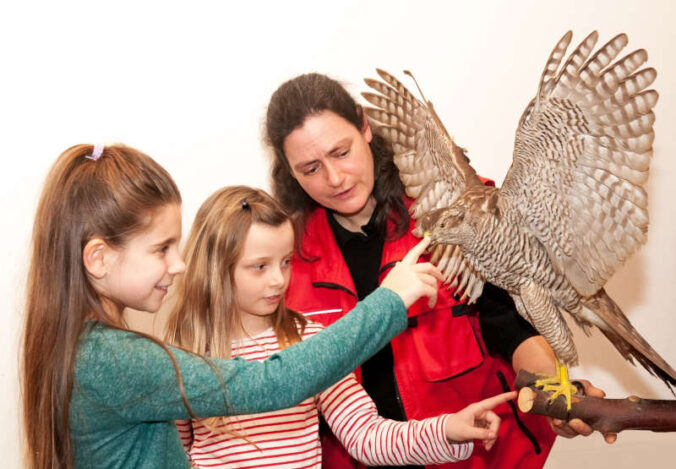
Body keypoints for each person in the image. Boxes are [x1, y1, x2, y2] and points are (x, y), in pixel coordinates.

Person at [21, 144, 447, 469]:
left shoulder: (91, 352)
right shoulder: (116, 359)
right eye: (162, 249)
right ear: (98, 258)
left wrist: (445, 430)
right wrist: (389, 301)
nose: (178, 263)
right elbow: (268, 383)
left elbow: (366, 434)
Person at [264, 73, 614, 469]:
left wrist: (552, 394)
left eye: (340, 152)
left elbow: (512, 325)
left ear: (365, 127)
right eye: (310, 168)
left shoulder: (458, 217)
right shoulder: (282, 262)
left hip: (477, 459)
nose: (334, 178)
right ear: (289, 171)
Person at [165, 185, 516, 468]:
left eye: (286, 262)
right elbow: (169, 456)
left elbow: (367, 437)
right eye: (259, 266)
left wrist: (448, 430)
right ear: (216, 268)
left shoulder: (309, 341)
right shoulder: (182, 352)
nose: (278, 280)